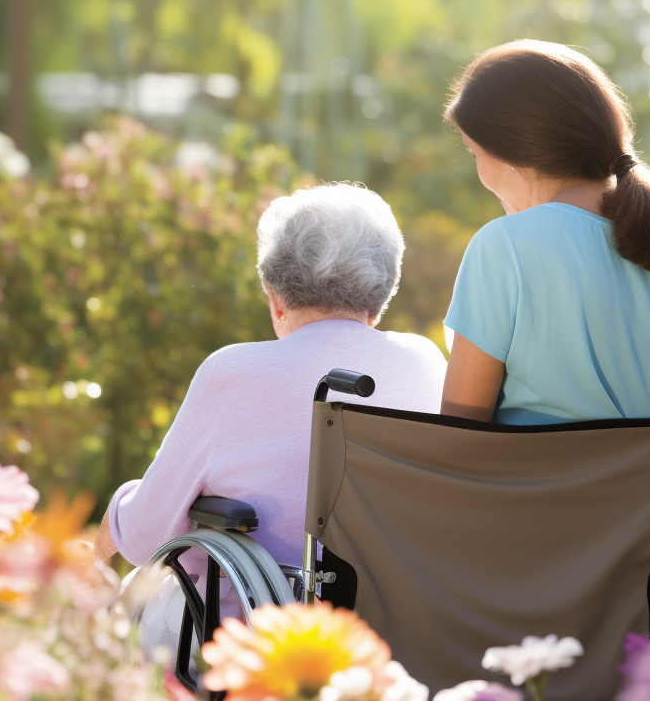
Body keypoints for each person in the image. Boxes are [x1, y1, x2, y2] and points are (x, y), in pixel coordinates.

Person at [439, 39, 650, 510]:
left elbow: (460, 443)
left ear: (509, 151)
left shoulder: (504, 248)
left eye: (474, 153)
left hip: (534, 545)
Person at [98, 182, 446, 571]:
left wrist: (114, 518)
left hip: (256, 623)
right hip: (397, 617)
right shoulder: (425, 362)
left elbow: (145, 536)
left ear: (274, 297)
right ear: (379, 301)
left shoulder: (231, 373)